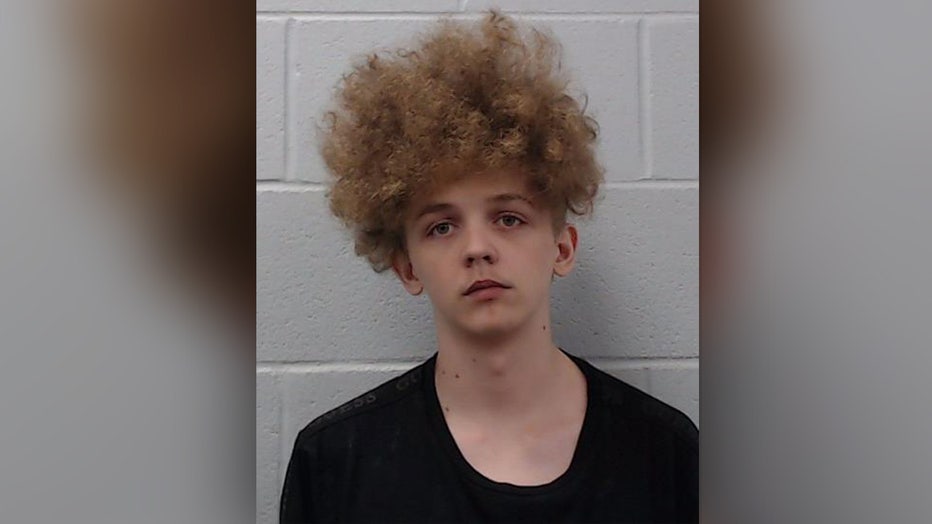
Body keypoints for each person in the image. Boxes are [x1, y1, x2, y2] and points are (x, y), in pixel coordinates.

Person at [281, 11, 697, 523]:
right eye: (442, 227)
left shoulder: (666, 454)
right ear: (408, 268)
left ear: (562, 249)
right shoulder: (335, 463)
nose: (477, 248)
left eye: (508, 218)